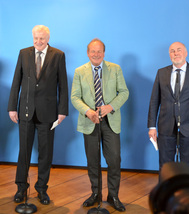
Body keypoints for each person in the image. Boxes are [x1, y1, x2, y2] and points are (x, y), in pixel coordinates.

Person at [8, 25, 68, 205]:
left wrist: (62, 110)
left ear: (48, 38)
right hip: (25, 111)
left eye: (41, 38)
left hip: (48, 113)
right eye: (35, 38)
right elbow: (16, 81)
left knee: (45, 153)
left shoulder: (58, 55)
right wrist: (12, 107)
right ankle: (21, 188)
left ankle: (42, 189)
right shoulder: (24, 53)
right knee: (24, 152)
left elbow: (63, 85)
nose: (38, 42)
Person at [71, 38, 129, 212]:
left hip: (110, 121)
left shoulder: (115, 69)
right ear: (88, 53)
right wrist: (88, 112)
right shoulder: (79, 71)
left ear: (104, 53)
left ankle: (113, 196)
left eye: (99, 51)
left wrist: (110, 107)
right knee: (93, 161)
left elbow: (124, 92)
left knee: (114, 160)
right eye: (92, 51)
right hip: (90, 122)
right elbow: (74, 97)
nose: (96, 54)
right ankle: (95, 194)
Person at [148, 42, 189, 171]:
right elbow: (154, 101)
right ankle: (167, 191)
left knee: (188, 167)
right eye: (172, 51)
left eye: (179, 50)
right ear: (169, 54)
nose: (176, 53)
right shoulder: (161, 73)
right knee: (165, 167)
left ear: (186, 53)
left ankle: (187, 192)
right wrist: (152, 126)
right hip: (166, 127)